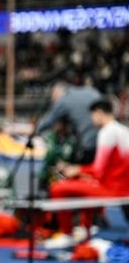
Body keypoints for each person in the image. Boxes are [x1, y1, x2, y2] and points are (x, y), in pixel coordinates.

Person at [44, 99, 129, 248]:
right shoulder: (124, 131)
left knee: (58, 188)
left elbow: (98, 169)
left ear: (98, 114)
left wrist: (77, 170)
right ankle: (85, 229)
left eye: (92, 116)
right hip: (121, 185)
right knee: (85, 184)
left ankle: (67, 234)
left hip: (112, 189)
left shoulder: (107, 132)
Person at [35, 81, 102, 165]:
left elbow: (47, 121)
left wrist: (34, 129)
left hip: (89, 143)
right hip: (104, 139)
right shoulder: (90, 91)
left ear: (57, 93)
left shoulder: (64, 100)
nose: (55, 103)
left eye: (54, 100)